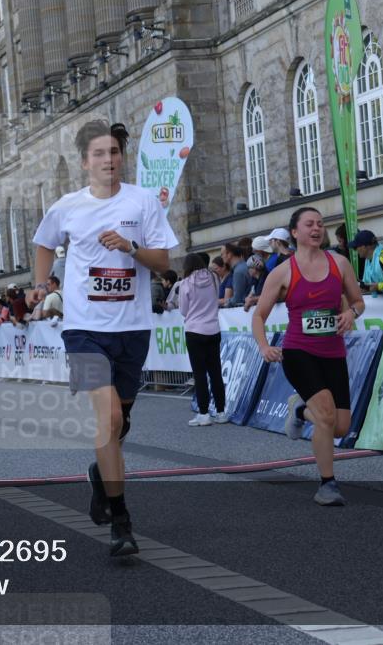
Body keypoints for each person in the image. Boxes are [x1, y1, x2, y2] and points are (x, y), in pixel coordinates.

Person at [26, 119, 178, 557]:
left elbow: (164, 261)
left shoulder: (142, 201)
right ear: (84, 162)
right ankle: (121, 520)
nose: (108, 160)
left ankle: (100, 475)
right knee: (109, 419)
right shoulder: (68, 206)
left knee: (121, 422)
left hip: (131, 328)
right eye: (99, 154)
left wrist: (130, 248)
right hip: (84, 328)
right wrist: (41, 282)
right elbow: (43, 243)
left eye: (113, 152)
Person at [252, 207, 365, 507]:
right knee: (327, 417)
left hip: (333, 352)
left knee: (341, 426)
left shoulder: (340, 263)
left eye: (320, 224)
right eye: (309, 224)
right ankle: (327, 484)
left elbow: (358, 301)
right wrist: (264, 347)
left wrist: (350, 314)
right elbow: (259, 315)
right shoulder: (282, 272)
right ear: (295, 232)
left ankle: (299, 410)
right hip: (298, 352)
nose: (316, 229)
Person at [177, 253, 227, 426]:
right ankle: (221, 412)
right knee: (215, 372)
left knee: (200, 374)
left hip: (194, 330)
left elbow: (183, 310)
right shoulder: (214, 278)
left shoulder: (185, 283)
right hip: (213, 328)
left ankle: (204, 414)